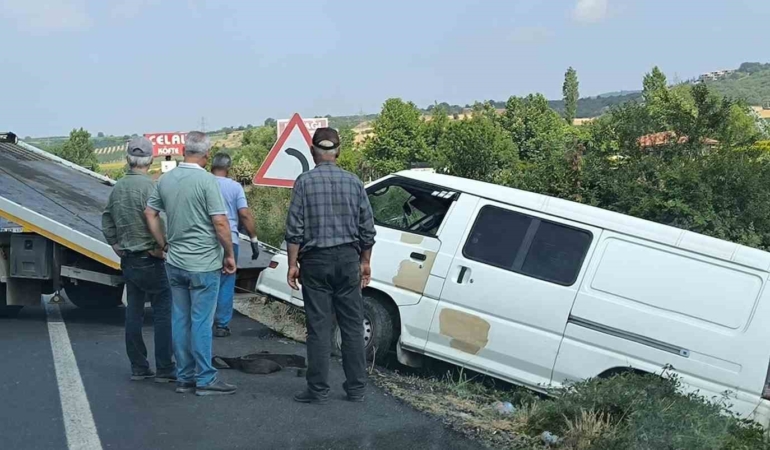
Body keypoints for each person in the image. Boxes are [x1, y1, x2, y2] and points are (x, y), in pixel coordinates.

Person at [285, 127, 376, 404]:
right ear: (338, 152)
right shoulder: (354, 182)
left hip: (315, 263)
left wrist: (292, 264)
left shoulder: (304, 182)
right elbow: (367, 230)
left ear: (313, 152)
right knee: (351, 327)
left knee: (319, 327)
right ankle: (357, 389)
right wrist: (365, 262)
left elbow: (294, 228)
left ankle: (317, 389)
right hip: (348, 261)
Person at [144, 131, 238, 396]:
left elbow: (150, 213)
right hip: (204, 263)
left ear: (184, 151)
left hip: (174, 262)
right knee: (201, 321)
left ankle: (184, 377)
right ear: (206, 156)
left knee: (180, 319)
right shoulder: (208, 182)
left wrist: (163, 243)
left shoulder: (166, 179)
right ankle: (205, 378)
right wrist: (229, 254)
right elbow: (220, 223)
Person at [101, 136, 176, 383]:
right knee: (163, 312)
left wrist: (116, 245)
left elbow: (107, 218)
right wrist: (161, 246)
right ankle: (165, 368)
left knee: (133, 312)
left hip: (129, 259)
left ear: (127, 159)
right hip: (150, 258)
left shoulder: (119, 187)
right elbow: (157, 219)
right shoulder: (151, 187)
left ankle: (139, 367)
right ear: (151, 159)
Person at [209, 152, 260, 337]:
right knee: (226, 282)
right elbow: (244, 214)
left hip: (206, 241)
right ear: (228, 167)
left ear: (211, 166)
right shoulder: (234, 187)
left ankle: (203, 323)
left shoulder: (203, 183)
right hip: (230, 240)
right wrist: (253, 239)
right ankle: (221, 325)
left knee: (207, 282)